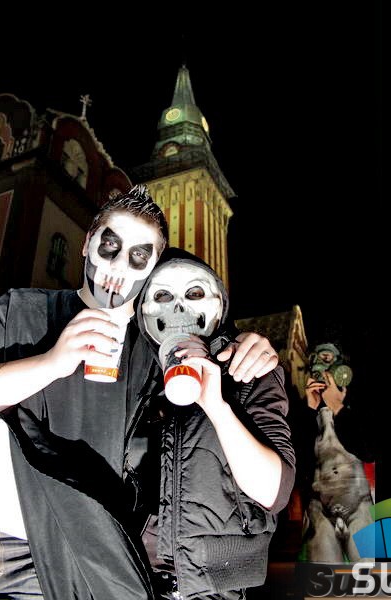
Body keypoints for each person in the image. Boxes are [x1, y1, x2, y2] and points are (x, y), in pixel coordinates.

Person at [0, 186, 279, 599]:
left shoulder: (155, 351)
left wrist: (247, 346)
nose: (119, 266)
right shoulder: (24, 310)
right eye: (110, 245)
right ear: (87, 244)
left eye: (138, 256)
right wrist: (50, 362)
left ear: (151, 269)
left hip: (87, 556)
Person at [131, 248, 296, 599]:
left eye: (194, 293)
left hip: (215, 586)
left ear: (219, 304)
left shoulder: (247, 369)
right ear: (142, 310)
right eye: (162, 296)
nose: (180, 309)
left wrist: (217, 406)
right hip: (125, 579)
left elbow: (274, 491)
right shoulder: (127, 373)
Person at [295, 342, 375, 563]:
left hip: (358, 502)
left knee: (369, 573)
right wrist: (309, 410)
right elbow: (298, 463)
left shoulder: (357, 405)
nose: (322, 368)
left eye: (328, 359)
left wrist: (338, 408)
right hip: (319, 507)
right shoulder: (304, 410)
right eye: (318, 360)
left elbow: (369, 450)